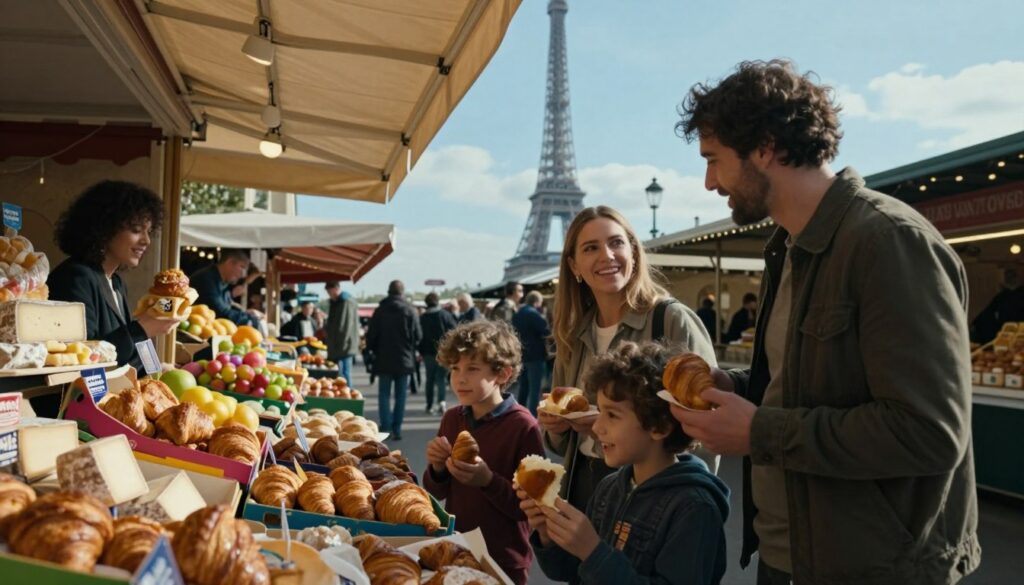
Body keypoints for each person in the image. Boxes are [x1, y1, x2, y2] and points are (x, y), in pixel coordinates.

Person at [671, 59, 979, 584]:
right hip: (791, 557)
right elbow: (815, 388)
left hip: (875, 567)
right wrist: (736, 389)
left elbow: (930, 432)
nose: (708, 182)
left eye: (714, 160)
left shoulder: (888, 241)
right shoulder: (787, 249)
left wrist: (758, 429)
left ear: (765, 147)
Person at [543, 205, 717, 517]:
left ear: (634, 253)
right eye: (591, 248)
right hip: (583, 485)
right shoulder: (573, 336)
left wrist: (689, 507)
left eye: (616, 243)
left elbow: (706, 429)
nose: (607, 255)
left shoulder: (670, 319)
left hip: (651, 492)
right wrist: (556, 425)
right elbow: (559, 446)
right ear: (574, 265)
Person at [522, 342, 729, 585]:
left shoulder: (694, 508)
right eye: (599, 411)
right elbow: (574, 572)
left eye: (612, 415)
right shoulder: (609, 487)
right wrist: (549, 534)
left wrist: (593, 551)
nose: (597, 427)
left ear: (660, 426)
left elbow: (593, 558)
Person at [423, 319, 544, 585]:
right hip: (457, 548)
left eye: (473, 368)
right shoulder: (452, 419)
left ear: (502, 374)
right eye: (455, 368)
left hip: (504, 559)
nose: (460, 378)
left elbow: (532, 508)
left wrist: (488, 481)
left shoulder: (523, 427)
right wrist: (437, 469)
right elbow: (436, 492)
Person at [47, 180, 179, 377]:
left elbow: (128, 349)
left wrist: (155, 369)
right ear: (105, 228)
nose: (146, 240)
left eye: (148, 231)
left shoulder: (115, 282)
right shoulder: (75, 278)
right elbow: (86, 358)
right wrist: (143, 327)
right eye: (136, 229)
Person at [365, 280, 422, 440]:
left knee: (383, 394)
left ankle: (386, 427)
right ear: (402, 293)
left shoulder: (380, 310)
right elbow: (418, 336)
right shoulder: (410, 311)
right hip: (404, 359)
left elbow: (371, 336)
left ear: (388, 292)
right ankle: (397, 428)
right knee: (400, 395)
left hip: (383, 359)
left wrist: (374, 350)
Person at [190, 249, 260, 326]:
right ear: (230, 263)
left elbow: (227, 308)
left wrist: (245, 313)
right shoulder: (206, 279)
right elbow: (222, 313)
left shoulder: (220, 282)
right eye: (242, 267)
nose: (243, 275)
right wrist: (250, 320)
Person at [512, 290, 550, 415]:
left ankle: (519, 413)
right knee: (535, 389)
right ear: (537, 302)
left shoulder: (518, 313)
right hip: (535, 355)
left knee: (524, 387)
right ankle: (532, 416)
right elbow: (546, 331)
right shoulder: (533, 314)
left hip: (522, 355)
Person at [419, 292, 458, 414]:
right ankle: (441, 402)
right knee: (441, 378)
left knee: (429, 379)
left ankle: (429, 405)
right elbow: (454, 332)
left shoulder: (423, 318)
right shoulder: (445, 315)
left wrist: (420, 351)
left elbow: (419, 336)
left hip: (428, 353)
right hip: (443, 352)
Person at [971, 267, 1024, 343]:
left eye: (1011, 276)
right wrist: (975, 323)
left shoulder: (1016, 294)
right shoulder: (1002, 296)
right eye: (1008, 276)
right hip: (1005, 332)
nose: (1010, 278)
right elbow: (989, 310)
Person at [324, 281, 360, 386]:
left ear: (335, 289)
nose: (329, 295)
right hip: (339, 345)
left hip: (343, 346)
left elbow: (344, 326)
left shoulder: (345, 302)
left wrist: (338, 345)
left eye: (329, 292)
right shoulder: (337, 302)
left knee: (344, 373)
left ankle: (348, 397)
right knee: (341, 373)